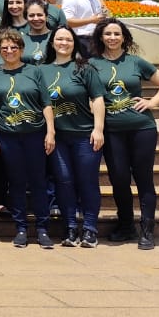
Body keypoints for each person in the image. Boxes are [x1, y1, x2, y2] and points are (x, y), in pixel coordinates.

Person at [91, 18, 159, 250]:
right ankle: (126, 224)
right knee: (118, 179)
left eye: (116, 34)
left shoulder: (135, 62)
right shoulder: (92, 64)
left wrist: (153, 102)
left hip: (141, 128)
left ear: (124, 38)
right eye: (107, 34)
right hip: (111, 130)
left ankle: (147, 229)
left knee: (143, 178)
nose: (112, 38)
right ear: (100, 37)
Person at [0, 28, 55, 250]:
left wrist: (50, 132)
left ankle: (43, 228)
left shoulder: (34, 71)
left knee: (38, 181)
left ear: (21, 49)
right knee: (15, 182)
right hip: (8, 135)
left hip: (34, 133)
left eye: (13, 47)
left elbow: (46, 102)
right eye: (4, 48)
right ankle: (21, 228)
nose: (9, 51)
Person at [44, 27, 105, 247]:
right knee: (64, 182)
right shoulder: (41, 71)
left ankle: (89, 228)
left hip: (84, 136)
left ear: (74, 43)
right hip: (57, 138)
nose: (63, 43)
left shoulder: (84, 68)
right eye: (59, 39)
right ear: (52, 43)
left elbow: (97, 99)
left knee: (87, 182)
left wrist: (98, 129)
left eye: (68, 39)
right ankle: (70, 227)